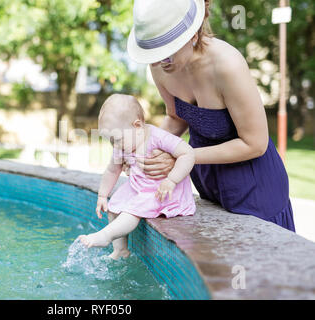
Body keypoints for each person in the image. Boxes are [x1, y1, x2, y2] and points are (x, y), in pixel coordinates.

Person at [125, 0, 295, 231]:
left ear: (192, 34)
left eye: (166, 52)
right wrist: (142, 151)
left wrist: (183, 156)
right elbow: (176, 117)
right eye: (153, 53)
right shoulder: (159, 66)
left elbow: (255, 143)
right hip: (207, 179)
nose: (157, 62)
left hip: (255, 184)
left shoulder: (227, 65)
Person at [77, 94, 196, 259]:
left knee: (131, 211)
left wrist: (171, 180)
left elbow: (187, 153)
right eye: (111, 141)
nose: (115, 145)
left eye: (117, 140)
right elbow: (112, 170)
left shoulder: (158, 137)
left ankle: (105, 236)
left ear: (137, 125)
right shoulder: (123, 143)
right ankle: (120, 250)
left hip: (163, 191)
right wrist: (103, 195)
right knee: (114, 206)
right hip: (139, 187)